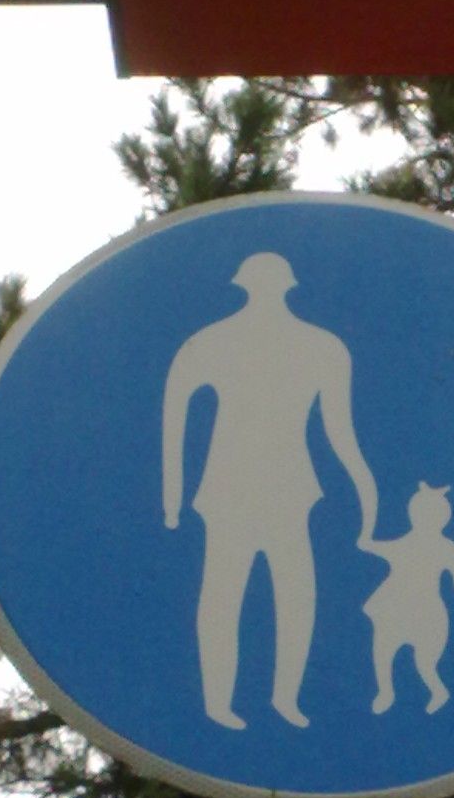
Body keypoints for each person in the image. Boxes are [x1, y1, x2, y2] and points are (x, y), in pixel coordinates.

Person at [162, 252, 378, 730]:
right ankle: (229, 703)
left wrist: (367, 491)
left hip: (281, 488)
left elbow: (341, 433)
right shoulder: (225, 344)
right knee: (241, 594)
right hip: (236, 489)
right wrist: (172, 499)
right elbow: (174, 420)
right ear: (286, 286)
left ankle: (275, 700)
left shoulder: (314, 348)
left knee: (281, 593)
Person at [360, 481, 454, 715]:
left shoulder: (447, 549)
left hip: (427, 611)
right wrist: (366, 542)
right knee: (384, 651)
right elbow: (379, 547)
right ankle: (385, 692)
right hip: (393, 606)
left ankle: (438, 690)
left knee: (425, 662)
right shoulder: (405, 542)